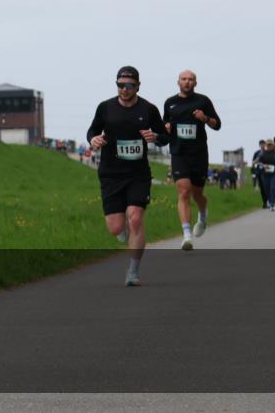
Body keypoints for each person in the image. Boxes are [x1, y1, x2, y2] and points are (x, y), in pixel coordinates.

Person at [87, 66, 169, 286]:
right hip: (111, 174)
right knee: (115, 227)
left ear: (138, 86)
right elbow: (91, 131)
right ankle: (121, 228)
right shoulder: (105, 108)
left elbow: (164, 136)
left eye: (129, 85)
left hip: (138, 174)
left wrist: (156, 137)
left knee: (135, 217)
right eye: (120, 85)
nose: (124, 89)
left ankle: (133, 272)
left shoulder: (149, 109)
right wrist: (93, 140)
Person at [163, 70, 221, 250]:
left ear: (195, 83)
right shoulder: (170, 103)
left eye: (190, 79)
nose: (187, 82)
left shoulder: (203, 101)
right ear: (178, 82)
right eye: (184, 79)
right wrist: (165, 128)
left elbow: (217, 124)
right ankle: (187, 235)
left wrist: (205, 118)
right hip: (179, 153)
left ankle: (203, 214)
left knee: (197, 194)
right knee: (184, 192)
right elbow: (164, 129)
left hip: (198, 154)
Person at [259, 139, 275, 211]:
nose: (269, 146)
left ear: (273, 145)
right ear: (266, 146)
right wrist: (263, 165)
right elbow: (259, 162)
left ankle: (272, 204)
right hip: (265, 174)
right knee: (267, 189)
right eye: (268, 145)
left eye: (270, 145)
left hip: (274, 173)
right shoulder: (263, 153)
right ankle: (269, 201)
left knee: (273, 188)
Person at [252, 140, 267, 206]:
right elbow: (253, 162)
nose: (262, 145)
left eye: (263, 144)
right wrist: (259, 163)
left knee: (266, 187)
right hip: (259, 171)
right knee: (262, 187)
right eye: (261, 144)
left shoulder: (267, 152)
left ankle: (268, 200)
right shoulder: (257, 153)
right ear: (259, 145)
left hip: (267, 171)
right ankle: (264, 202)